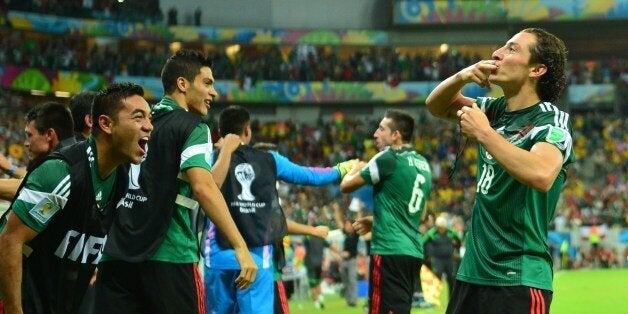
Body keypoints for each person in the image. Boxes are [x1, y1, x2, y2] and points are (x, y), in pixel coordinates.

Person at [95, 50, 257, 314]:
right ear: (183, 84)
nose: (213, 92)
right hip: (169, 254)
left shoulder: (131, 122)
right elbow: (203, 188)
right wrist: (240, 246)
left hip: (117, 255)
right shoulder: (192, 126)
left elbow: (203, 184)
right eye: (207, 83)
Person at [425, 28, 574, 313]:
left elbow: (542, 175)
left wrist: (484, 134)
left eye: (512, 49)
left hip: (518, 279)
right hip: (472, 275)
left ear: (537, 69)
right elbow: (436, 105)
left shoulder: (551, 120)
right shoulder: (494, 110)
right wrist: (463, 76)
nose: (497, 54)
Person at [0, 82, 153, 313]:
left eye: (149, 118)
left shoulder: (121, 177)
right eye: (138, 117)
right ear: (105, 123)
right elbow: (9, 241)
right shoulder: (61, 172)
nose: (149, 126)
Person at [204, 105, 354, 314]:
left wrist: (223, 152)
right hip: (257, 255)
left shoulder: (210, 159)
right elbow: (309, 175)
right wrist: (341, 169)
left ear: (219, 132)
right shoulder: (270, 160)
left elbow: (206, 190)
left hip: (219, 254)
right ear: (247, 130)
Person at [341, 109, 433, 314]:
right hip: (413, 252)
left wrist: (356, 166)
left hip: (389, 250)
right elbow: (420, 214)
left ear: (395, 135)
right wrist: (375, 220)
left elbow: (346, 186)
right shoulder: (424, 164)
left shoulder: (388, 158)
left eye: (381, 129)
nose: (375, 134)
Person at [0, 102, 76, 200]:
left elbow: (28, 188)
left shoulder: (59, 164)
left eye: (29, 135)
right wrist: (10, 168)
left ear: (49, 134)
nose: (26, 143)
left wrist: (10, 169)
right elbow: (34, 179)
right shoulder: (73, 154)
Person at [422, 215, 461, 298]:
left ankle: (452, 298)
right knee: (436, 277)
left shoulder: (451, 232)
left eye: (443, 227)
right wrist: (427, 256)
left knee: (451, 278)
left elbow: (458, 241)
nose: (441, 229)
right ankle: (433, 298)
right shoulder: (432, 233)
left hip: (449, 259)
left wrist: (456, 248)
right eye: (440, 227)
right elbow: (423, 242)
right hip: (437, 259)